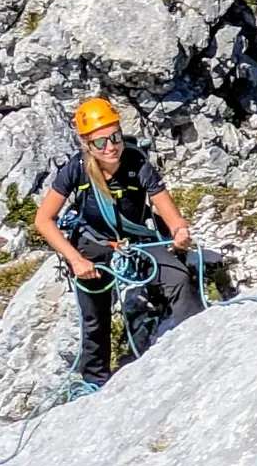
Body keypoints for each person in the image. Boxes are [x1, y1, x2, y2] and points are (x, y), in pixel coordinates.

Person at [31, 97, 221, 387]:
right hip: (94, 244)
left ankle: (196, 343)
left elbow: (172, 217)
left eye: (115, 137)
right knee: (94, 315)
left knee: (178, 278)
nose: (110, 146)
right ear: (87, 144)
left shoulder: (137, 163)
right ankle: (95, 382)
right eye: (100, 142)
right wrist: (76, 259)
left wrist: (180, 233)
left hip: (137, 239)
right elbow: (43, 220)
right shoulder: (76, 171)